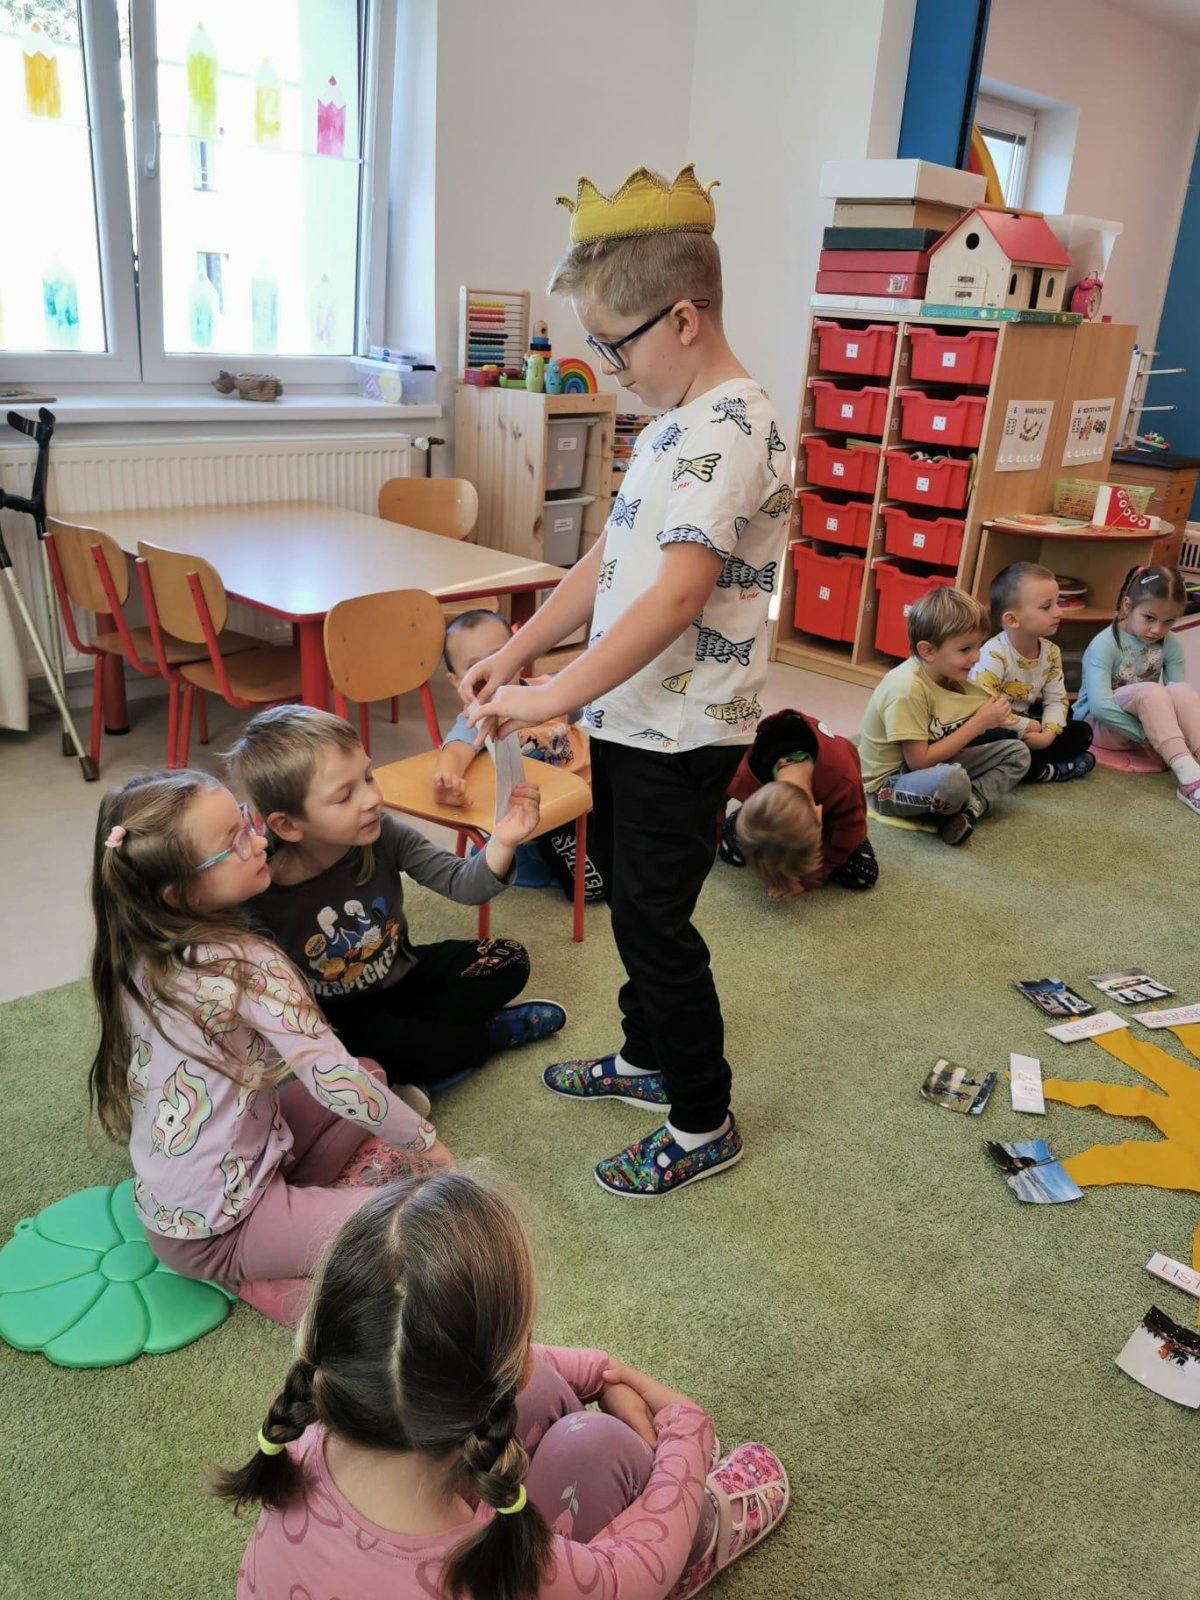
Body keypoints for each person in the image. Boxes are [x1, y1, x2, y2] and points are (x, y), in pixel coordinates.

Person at [459, 166, 791, 1196]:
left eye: (616, 345)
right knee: (637, 902)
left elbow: (678, 595)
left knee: (655, 922)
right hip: (635, 716)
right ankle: (648, 1059)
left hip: (686, 728)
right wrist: (521, 648)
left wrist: (553, 696)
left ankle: (701, 1118)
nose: (609, 368)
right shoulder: (671, 424)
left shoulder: (734, 428)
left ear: (684, 318)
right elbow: (608, 563)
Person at [214, 1171, 789, 1600]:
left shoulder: (304, 1430)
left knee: (550, 1400)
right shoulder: (517, 1576)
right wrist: (687, 1430)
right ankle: (702, 1530)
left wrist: (596, 1368)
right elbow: (634, 1573)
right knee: (604, 1445)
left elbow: (457, 1363)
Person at [87, 769, 453, 1304]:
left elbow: (345, 1078)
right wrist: (429, 1147)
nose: (259, 841)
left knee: (370, 1074)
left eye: (245, 821)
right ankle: (253, 1275)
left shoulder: (134, 948)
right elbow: (332, 1076)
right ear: (181, 893)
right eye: (234, 842)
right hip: (218, 1232)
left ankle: (287, 1223)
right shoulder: (248, 963)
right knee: (415, 1228)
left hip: (213, 1185)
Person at [226, 706, 566, 1099]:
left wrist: (503, 841)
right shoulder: (257, 889)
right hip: (341, 1016)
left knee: (510, 960)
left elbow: (463, 884)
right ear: (287, 825)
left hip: (404, 974)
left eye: (368, 776)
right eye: (344, 796)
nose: (372, 798)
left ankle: (425, 1053)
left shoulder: (383, 833)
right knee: (371, 1053)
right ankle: (488, 1036)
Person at [434, 608, 604, 902]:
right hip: (544, 816)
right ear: (456, 680)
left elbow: (588, 707)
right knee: (592, 889)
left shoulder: (547, 689)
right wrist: (447, 778)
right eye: (476, 669)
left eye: (499, 658)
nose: (493, 677)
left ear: (517, 653)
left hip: (591, 796)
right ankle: (520, 857)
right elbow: (456, 752)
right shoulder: (479, 718)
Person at [858, 586, 1031, 845]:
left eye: (978, 646)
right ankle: (954, 807)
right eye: (965, 649)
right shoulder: (907, 688)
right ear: (928, 651)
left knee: (1017, 753)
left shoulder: (946, 674)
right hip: (889, 786)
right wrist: (980, 723)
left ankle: (969, 808)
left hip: (932, 767)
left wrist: (1018, 723)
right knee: (953, 780)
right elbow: (918, 762)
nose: (976, 657)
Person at [1075, 563, 1200, 814]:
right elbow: (1100, 707)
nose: (1157, 630)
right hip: (1098, 725)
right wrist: (1146, 737)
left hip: (1143, 723)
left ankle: (1194, 758)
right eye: (1149, 618)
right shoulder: (1105, 643)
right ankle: (1189, 778)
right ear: (1127, 606)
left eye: (1168, 621)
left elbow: (1178, 698)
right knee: (1151, 691)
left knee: (1181, 690)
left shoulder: (1171, 644)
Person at [720, 707, 878, 895]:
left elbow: (850, 829)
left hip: (839, 815)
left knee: (863, 874)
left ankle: (812, 851)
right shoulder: (741, 774)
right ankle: (763, 826)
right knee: (730, 851)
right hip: (767, 805)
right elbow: (711, 801)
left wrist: (806, 880)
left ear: (819, 815)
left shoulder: (844, 783)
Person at [971, 561, 1095, 782]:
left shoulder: (1051, 652)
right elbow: (983, 707)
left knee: (1082, 733)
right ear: (1012, 619)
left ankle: (1030, 765)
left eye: (1058, 602)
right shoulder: (993, 654)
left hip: (1029, 730)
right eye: (1046, 606)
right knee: (994, 741)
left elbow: (1056, 700)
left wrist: (1048, 734)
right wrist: (1027, 726)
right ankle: (1043, 770)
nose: (1058, 611)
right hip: (995, 728)